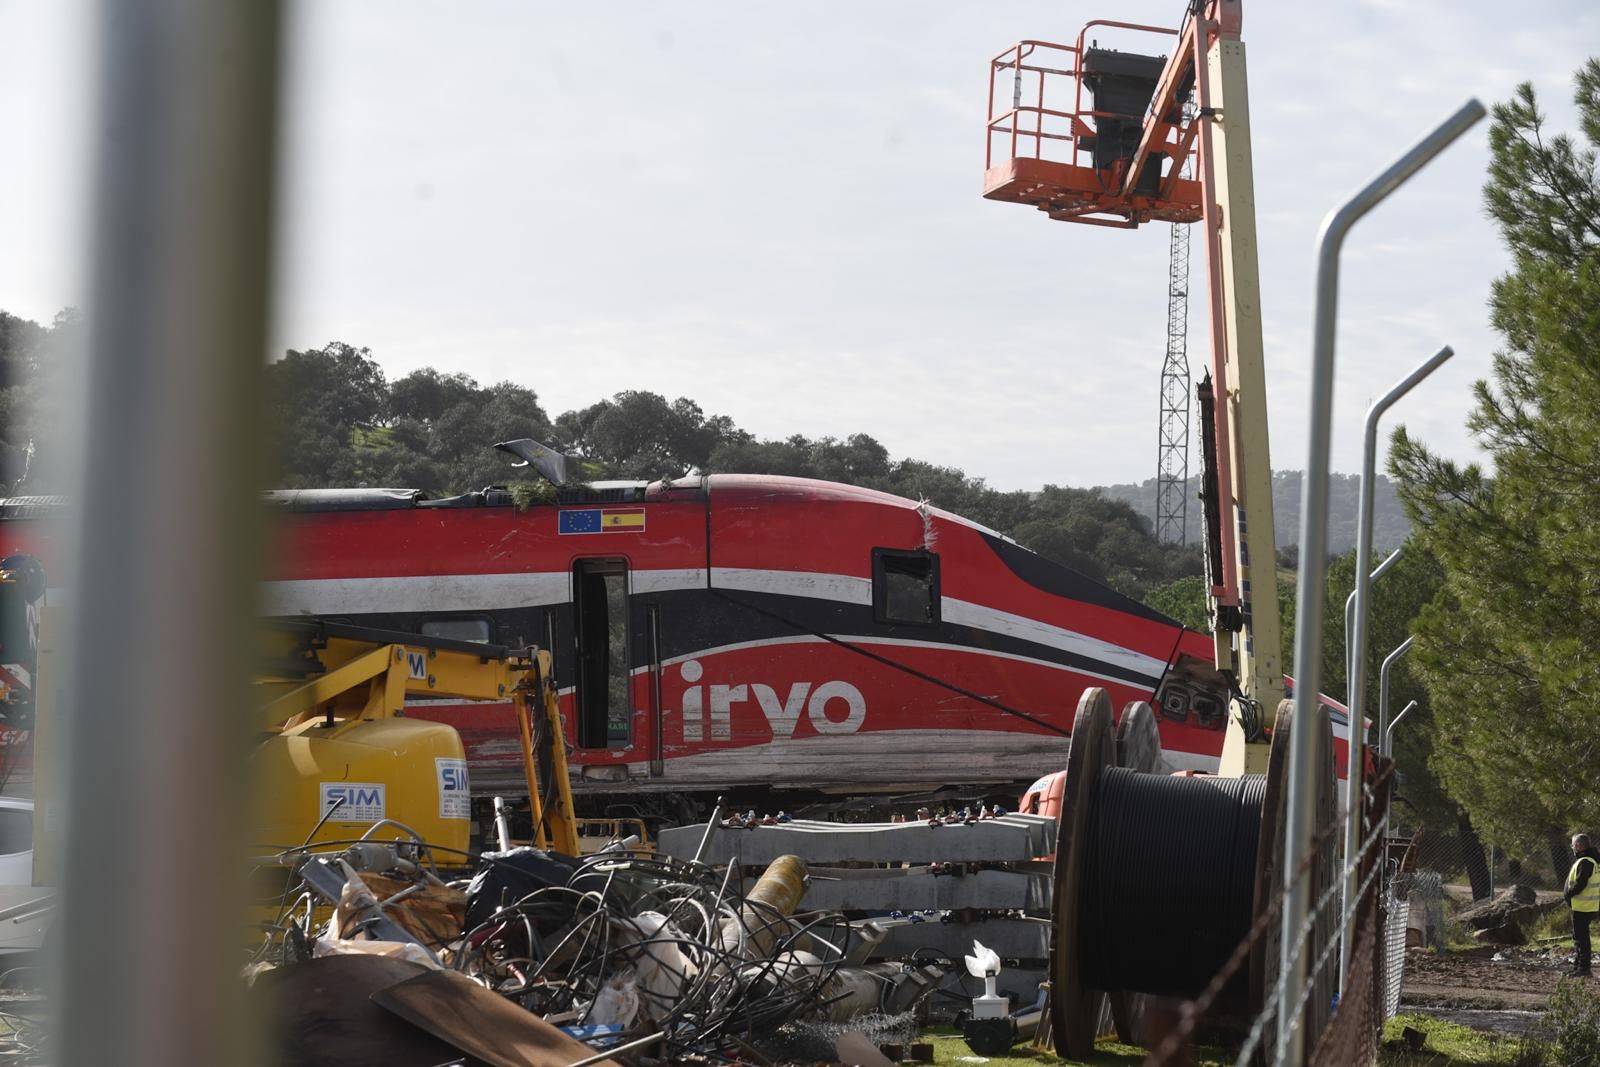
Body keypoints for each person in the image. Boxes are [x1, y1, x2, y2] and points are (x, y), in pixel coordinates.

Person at [1564, 833, 1599, 977]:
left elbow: (1580, 883)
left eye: (1573, 845)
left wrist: (1568, 894)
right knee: (1580, 938)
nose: (1572, 847)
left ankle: (1583, 969)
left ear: (1578, 846)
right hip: (1587, 905)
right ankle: (1579, 966)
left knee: (1581, 939)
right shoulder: (1592, 859)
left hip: (1582, 906)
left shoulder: (1585, 861)